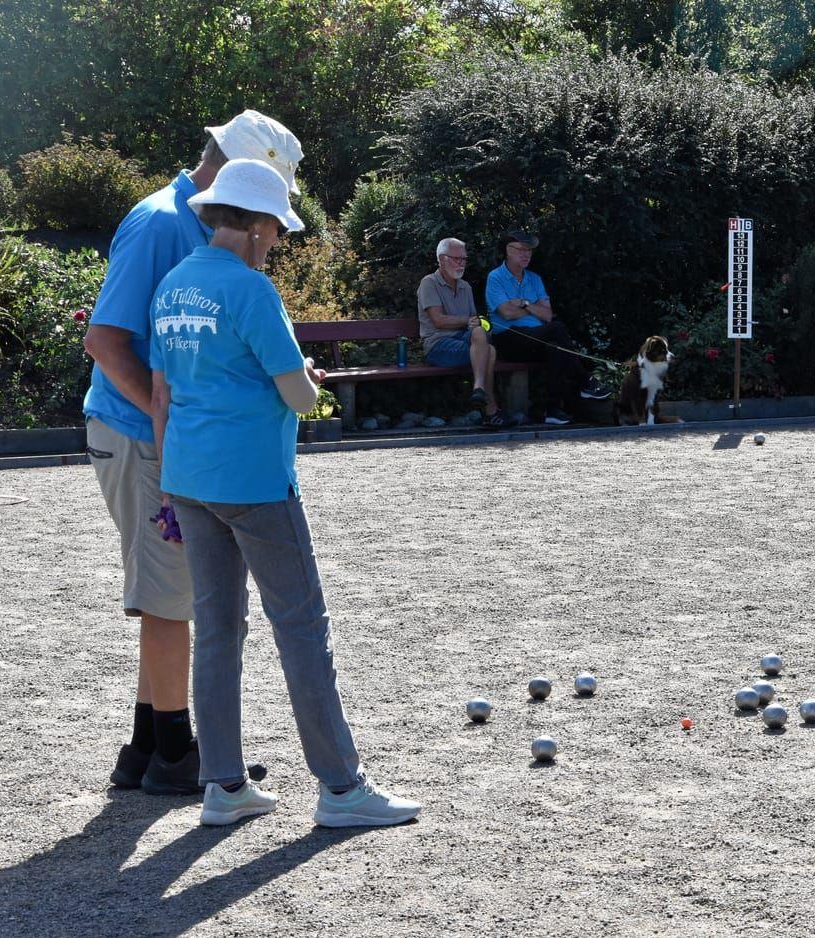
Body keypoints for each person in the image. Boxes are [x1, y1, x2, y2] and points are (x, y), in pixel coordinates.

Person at [149, 159, 421, 826]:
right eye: (275, 229)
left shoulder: (172, 285)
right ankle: (341, 789)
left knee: (215, 630)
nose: (276, 240)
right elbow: (297, 395)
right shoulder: (250, 289)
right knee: (301, 629)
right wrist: (310, 378)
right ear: (256, 225)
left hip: (188, 477)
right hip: (255, 480)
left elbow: (162, 395)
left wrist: (167, 483)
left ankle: (223, 787)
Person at [82, 109, 301, 794]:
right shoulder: (159, 221)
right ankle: (178, 753)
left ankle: (148, 744)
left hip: (160, 433)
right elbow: (106, 341)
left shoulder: (193, 222)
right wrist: (165, 434)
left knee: (163, 595)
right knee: (172, 597)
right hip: (144, 433)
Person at [485, 231, 609, 425]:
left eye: (529, 251)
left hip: (537, 338)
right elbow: (506, 313)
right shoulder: (495, 277)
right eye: (521, 250)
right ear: (507, 251)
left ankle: (550, 410)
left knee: (555, 349)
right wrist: (535, 309)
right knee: (557, 329)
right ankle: (586, 382)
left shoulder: (534, 279)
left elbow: (547, 315)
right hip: (510, 339)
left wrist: (524, 303)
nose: (526, 254)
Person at [418, 237, 507, 426]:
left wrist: (476, 324)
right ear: (442, 259)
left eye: (464, 259)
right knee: (489, 352)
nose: (461, 263)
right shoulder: (429, 283)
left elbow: (473, 325)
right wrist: (468, 321)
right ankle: (490, 410)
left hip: (464, 339)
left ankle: (479, 389)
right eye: (456, 258)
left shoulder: (466, 286)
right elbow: (439, 321)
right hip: (437, 344)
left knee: (480, 334)